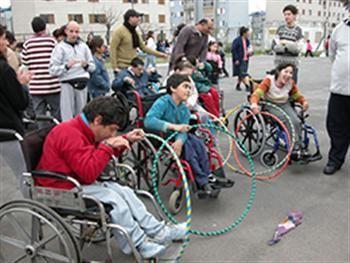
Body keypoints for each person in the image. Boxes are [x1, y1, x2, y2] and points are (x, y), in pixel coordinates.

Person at [36, 96, 187, 258]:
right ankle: (138, 243)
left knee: (126, 192)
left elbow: (94, 160)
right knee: (115, 200)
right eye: (112, 129)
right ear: (98, 120)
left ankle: (158, 231)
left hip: (77, 180)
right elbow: (88, 173)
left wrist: (125, 139)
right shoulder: (69, 133)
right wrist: (108, 146)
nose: (113, 134)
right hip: (61, 187)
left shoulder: (83, 129)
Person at [144, 74, 232, 198]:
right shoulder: (162, 102)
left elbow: (184, 129)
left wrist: (179, 141)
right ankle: (202, 180)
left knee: (199, 145)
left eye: (190, 88)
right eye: (185, 87)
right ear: (173, 88)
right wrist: (173, 127)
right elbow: (149, 121)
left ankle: (208, 176)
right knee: (190, 149)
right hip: (162, 136)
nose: (189, 90)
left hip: (178, 137)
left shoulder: (184, 109)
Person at [250, 63, 312, 160]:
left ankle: (300, 146)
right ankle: (294, 149)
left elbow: (297, 95)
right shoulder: (269, 80)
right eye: (286, 71)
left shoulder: (290, 83)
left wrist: (304, 102)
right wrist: (254, 104)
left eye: (291, 73)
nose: (288, 75)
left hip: (284, 104)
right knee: (287, 120)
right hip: (270, 104)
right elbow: (257, 94)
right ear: (279, 72)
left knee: (297, 121)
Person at [49, 21, 96, 121]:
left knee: (82, 116)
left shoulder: (84, 47)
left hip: (82, 82)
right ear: (66, 31)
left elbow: (93, 67)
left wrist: (86, 65)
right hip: (67, 83)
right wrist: (66, 67)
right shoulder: (60, 48)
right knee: (67, 116)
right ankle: (67, 134)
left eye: (77, 32)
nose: (74, 34)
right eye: (71, 31)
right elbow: (52, 70)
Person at [323, 14, 350, 175]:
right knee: (336, 126)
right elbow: (332, 55)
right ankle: (335, 160)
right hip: (340, 89)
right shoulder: (339, 30)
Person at [21, 16, 61, 121]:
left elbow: (25, 62)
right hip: (52, 84)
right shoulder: (52, 41)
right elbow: (58, 59)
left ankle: (41, 136)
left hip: (36, 86)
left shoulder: (27, 43)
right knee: (56, 114)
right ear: (45, 26)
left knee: (40, 115)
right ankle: (56, 135)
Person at [110, 9, 167, 76]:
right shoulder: (119, 31)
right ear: (130, 18)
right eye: (137, 17)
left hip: (134, 66)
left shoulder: (135, 33)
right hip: (122, 67)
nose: (139, 19)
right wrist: (115, 67)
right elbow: (112, 49)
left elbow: (143, 47)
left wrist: (160, 54)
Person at [0, 26, 31, 135]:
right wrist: (21, 84)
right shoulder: (4, 70)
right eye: (3, 38)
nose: (7, 43)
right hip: (7, 132)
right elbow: (21, 102)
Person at [272, 4, 303, 83]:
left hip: (292, 66)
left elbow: (298, 49)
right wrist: (291, 45)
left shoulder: (298, 30)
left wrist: (284, 43)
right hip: (279, 66)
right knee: (278, 91)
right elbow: (274, 47)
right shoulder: (280, 29)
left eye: (289, 14)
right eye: (285, 14)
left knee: (292, 92)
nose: (286, 17)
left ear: (294, 16)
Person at [231, 26, 252, 91]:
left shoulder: (247, 41)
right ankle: (247, 86)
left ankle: (238, 85)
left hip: (245, 58)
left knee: (241, 73)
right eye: (247, 33)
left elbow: (249, 48)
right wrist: (236, 59)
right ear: (244, 33)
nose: (248, 34)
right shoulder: (237, 40)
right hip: (239, 59)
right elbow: (233, 50)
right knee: (242, 73)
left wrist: (250, 52)